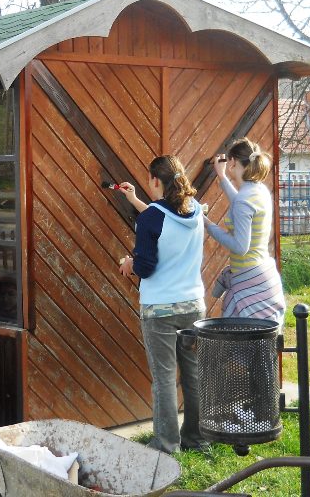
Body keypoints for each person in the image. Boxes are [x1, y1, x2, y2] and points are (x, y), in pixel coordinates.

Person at [117, 155, 208, 454]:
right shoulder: (195, 209)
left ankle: (166, 445)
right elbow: (165, 221)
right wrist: (135, 201)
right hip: (194, 306)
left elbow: (146, 266)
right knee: (193, 374)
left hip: (161, 311)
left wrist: (130, 264)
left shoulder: (152, 218)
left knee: (165, 378)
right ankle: (196, 437)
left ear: (155, 180)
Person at [205, 138, 286, 324]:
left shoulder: (244, 199)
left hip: (249, 281)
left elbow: (240, 247)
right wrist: (222, 178)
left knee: (241, 347)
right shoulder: (259, 191)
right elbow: (241, 204)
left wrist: (207, 224)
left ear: (232, 162)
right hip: (262, 274)